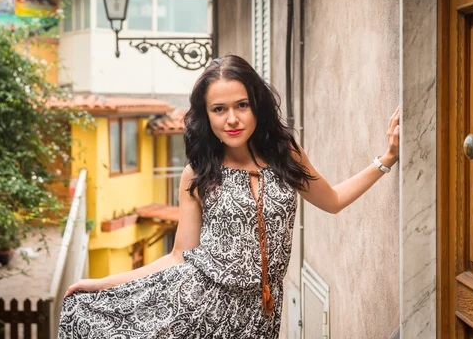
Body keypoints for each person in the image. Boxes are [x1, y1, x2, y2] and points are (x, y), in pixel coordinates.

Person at [58, 55, 400, 338]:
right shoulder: (198, 174)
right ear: (206, 116)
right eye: (219, 109)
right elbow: (180, 256)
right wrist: (103, 283)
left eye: (242, 105)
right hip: (199, 306)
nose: (232, 119)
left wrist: (386, 159)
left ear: (257, 107)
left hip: (262, 312)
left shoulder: (286, 154)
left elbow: (333, 200)